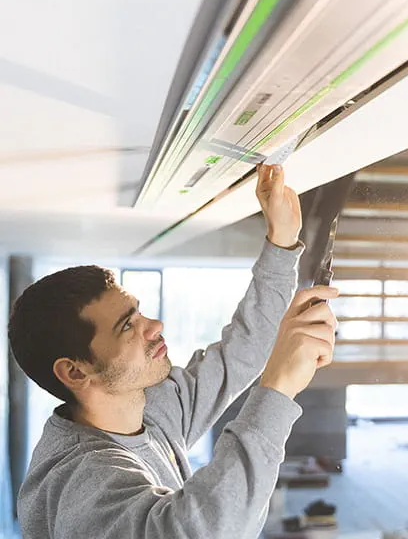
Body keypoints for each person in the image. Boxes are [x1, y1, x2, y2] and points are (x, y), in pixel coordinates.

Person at [8, 164, 339, 539]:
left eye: (138, 311)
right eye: (127, 325)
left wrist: (281, 243)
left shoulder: (152, 408)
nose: (155, 326)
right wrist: (278, 390)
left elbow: (242, 351)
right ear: (75, 372)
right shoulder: (76, 481)